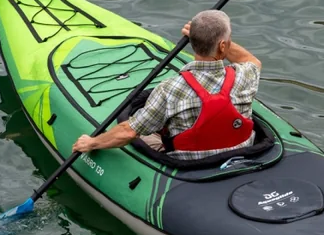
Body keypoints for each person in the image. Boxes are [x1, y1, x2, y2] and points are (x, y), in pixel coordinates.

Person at [72, 9, 262, 160]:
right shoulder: (245, 75)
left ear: (192, 42)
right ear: (223, 45)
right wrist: (217, 39)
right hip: (240, 153)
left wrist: (92, 142)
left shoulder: (170, 89)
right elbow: (251, 60)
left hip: (190, 165)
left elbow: (128, 132)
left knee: (143, 130)